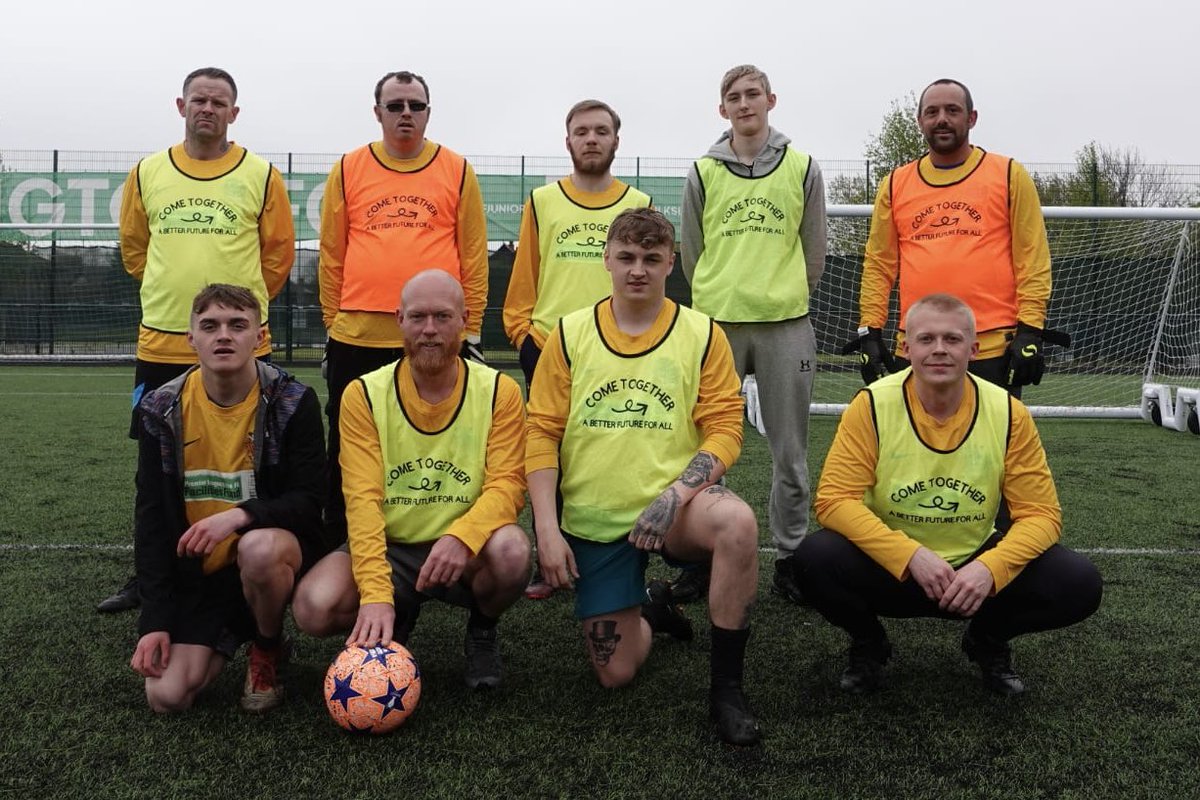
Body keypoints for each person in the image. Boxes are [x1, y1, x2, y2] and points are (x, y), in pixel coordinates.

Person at [527, 208, 762, 746]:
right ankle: (655, 608)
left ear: (670, 264)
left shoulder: (702, 333)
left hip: (675, 507)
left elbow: (725, 428)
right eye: (627, 257)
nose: (638, 269)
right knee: (615, 673)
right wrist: (546, 527)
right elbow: (540, 432)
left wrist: (677, 494)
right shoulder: (569, 333)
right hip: (596, 516)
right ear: (606, 258)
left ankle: (727, 689)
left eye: (652, 259)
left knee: (737, 523)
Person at [797, 293, 1102, 695]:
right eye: (926, 339)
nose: (939, 349)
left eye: (952, 339)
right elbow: (834, 500)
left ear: (973, 349)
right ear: (905, 347)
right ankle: (869, 642)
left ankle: (987, 639)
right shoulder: (871, 405)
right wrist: (907, 556)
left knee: (1079, 583)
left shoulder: (1009, 411)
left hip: (973, 573)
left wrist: (990, 569)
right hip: (893, 570)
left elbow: (1042, 516)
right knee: (811, 560)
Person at [101, 66, 296, 613]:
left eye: (219, 102)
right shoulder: (148, 172)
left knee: (255, 459)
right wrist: (181, 306)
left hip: (242, 347)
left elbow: (277, 255)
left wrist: (234, 317)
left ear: (235, 113)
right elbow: (135, 251)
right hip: (163, 344)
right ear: (180, 105)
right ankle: (152, 576)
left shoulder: (260, 174)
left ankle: (247, 560)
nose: (207, 108)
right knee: (154, 470)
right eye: (198, 100)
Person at [294, 270, 529, 690]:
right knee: (313, 607)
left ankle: (482, 628)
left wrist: (463, 536)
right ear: (399, 319)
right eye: (418, 317)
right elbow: (361, 501)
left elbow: (508, 485)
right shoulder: (363, 394)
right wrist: (376, 595)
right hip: (391, 547)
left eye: (442, 317)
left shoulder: (500, 391)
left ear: (465, 319)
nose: (430, 330)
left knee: (513, 551)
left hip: (466, 549)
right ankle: (398, 608)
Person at [129, 284, 325, 713]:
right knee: (166, 697)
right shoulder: (160, 409)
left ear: (259, 336)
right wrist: (155, 621)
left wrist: (239, 517)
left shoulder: (293, 401)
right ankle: (231, 626)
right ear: (191, 339)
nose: (224, 336)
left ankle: (267, 646)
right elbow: (151, 521)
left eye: (238, 325)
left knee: (258, 548)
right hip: (204, 576)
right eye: (210, 326)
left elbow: (310, 503)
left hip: (271, 557)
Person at [319, 70, 489, 548]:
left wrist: (469, 328)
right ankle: (340, 544)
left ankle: (452, 540)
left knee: (444, 441)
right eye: (395, 106)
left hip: (433, 334)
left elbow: (473, 253)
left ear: (429, 112)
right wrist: (333, 322)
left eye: (415, 105)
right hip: (357, 335)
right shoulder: (349, 168)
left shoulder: (456, 169)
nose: (406, 114)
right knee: (346, 446)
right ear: (378, 113)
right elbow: (332, 251)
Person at [678, 64, 827, 606]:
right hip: (717, 324)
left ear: (771, 100)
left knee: (790, 452)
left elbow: (813, 253)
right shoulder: (703, 171)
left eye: (753, 95)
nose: (744, 104)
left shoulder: (803, 166)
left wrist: (779, 294)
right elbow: (692, 254)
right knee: (703, 445)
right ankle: (696, 555)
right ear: (723, 110)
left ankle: (790, 558)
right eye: (733, 97)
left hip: (786, 325)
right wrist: (720, 297)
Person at [502, 99, 652, 600]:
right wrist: (523, 336)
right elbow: (525, 281)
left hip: (617, 349)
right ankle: (552, 558)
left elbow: (645, 283)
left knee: (609, 452)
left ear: (616, 140)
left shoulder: (638, 202)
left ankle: (617, 559)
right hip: (552, 346)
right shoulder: (543, 201)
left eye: (601, 131)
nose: (591, 139)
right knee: (552, 456)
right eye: (582, 131)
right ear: (568, 142)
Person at [853, 78, 1053, 398]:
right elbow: (879, 263)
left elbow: (1032, 258)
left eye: (952, 110)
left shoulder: (1008, 174)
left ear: (971, 118)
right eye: (932, 112)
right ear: (920, 122)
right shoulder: (894, 184)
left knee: (992, 447)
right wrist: (870, 331)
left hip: (991, 350)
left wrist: (1030, 329)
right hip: (917, 346)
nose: (942, 118)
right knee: (912, 446)